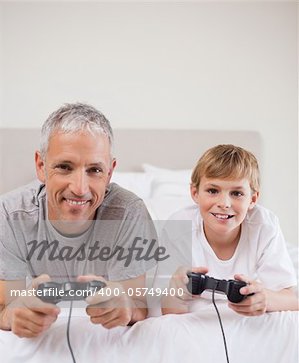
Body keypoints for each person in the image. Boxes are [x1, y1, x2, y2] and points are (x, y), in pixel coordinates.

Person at [0, 103, 157, 337]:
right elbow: (4, 307)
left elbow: (137, 305)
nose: (80, 189)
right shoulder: (9, 214)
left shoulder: (129, 212)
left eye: (94, 170)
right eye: (64, 167)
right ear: (41, 166)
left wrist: (124, 308)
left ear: (110, 172)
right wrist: (15, 313)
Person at [159, 144, 298, 315]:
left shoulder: (264, 226)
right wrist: (176, 293)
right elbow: (168, 314)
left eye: (237, 193)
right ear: (195, 193)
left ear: (253, 199)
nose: (224, 203)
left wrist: (265, 299)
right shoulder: (179, 227)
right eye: (212, 190)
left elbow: (291, 298)